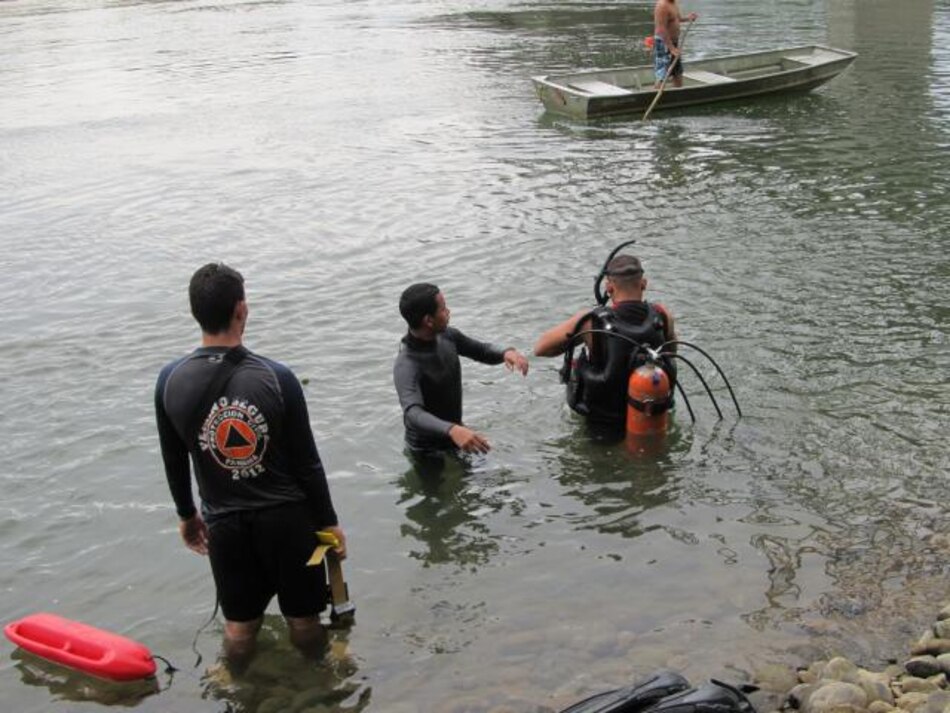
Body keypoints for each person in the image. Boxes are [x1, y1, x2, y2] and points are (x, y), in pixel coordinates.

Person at [155, 263, 346, 669]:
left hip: (224, 525)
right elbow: (308, 463)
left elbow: (174, 459)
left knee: (239, 628)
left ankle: (237, 685)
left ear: (194, 312)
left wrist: (187, 516)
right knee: (305, 619)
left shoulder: (169, 380)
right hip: (289, 521)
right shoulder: (277, 377)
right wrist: (329, 523)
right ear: (241, 309)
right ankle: (318, 684)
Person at [533, 254, 677, 430]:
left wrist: (580, 339)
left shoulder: (590, 322)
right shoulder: (663, 316)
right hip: (650, 422)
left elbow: (540, 348)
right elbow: (671, 355)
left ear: (609, 288)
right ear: (644, 284)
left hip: (603, 426)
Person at [393, 283, 529, 455]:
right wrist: (452, 429)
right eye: (443, 308)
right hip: (427, 451)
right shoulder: (407, 364)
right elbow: (413, 413)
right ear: (428, 320)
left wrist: (505, 353)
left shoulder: (448, 336)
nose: (448, 311)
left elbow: (481, 350)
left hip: (458, 435)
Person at [653, 0, 698, 88]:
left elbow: (677, 19)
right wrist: (671, 48)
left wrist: (688, 18)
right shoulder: (662, 6)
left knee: (677, 72)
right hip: (664, 44)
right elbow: (661, 29)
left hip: (674, 43)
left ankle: (679, 93)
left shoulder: (673, 3)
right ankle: (657, 92)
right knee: (663, 75)